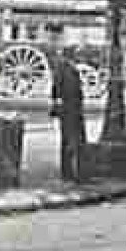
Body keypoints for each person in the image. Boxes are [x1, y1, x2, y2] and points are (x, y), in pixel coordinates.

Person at [49, 46, 86, 182]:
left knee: (70, 140)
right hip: (69, 108)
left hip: (72, 107)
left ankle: (71, 171)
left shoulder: (67, 68)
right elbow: (57, 88)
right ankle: (69, 172)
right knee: (70, 140)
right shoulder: (64, 69)